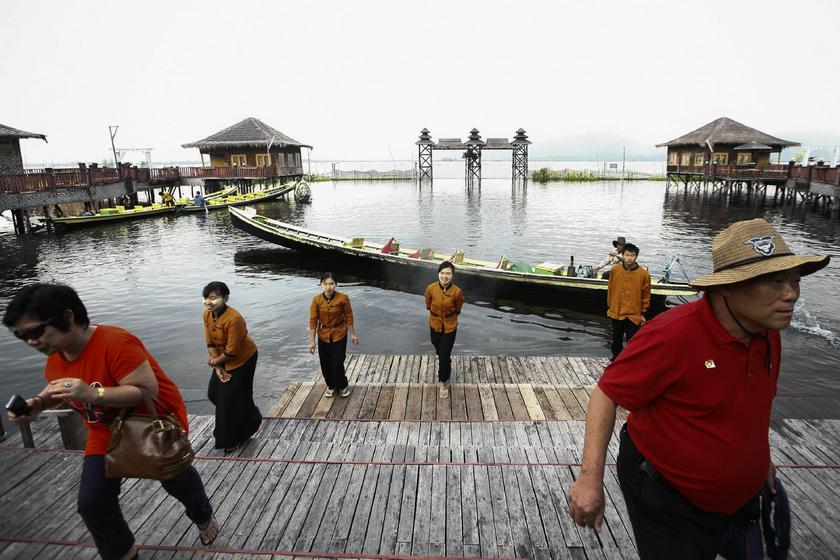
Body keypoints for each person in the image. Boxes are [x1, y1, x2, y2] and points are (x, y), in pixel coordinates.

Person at [568, 218, 829, 559]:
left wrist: (760, 458)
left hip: (741, 497)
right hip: (668, 496)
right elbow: (606, 394)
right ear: (728, 287)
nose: (791, 294)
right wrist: (590, 478)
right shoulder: (672, 335)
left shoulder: (767, 333)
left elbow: (756, 402)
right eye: (775, 282)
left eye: (795, 282)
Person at [3, 283, 219, 560]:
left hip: (153, 424)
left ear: (68, 316)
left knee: (175, 480)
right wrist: (39, 403)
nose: (31, 342)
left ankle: (202, 514)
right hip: (104, 431)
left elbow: (146, 390)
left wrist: (93, 394)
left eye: (36, 331)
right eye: (22, 335)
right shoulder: (57, 355)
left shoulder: (116, 342)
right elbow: (57, 388)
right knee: (93, 503)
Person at [202, 281, 262, 452]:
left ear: (225, 297)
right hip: (222, 358)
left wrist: (215, 362)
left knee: (227, 400)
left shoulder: (234, 319)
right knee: (215, 393)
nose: (208, 302)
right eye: (205, 298)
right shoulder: (207, 314)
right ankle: (251, 416)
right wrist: (217, 367)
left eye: (213, 298)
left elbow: (232, 352)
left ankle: (233, 438)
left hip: (243, 359)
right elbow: (210, 342)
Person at [308, 273, 359, 398]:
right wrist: (312, 341)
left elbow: (349, 316)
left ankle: (342, 385)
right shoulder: (316, 300)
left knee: (337, 362)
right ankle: (331, 386)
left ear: (335, 284)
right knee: (325, 363)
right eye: (325, 284)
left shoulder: (343, 298)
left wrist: (353, 334)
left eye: (331, 284)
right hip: (323, 335)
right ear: (321, 285)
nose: (328, 287)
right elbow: (313, 321)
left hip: (339, 333)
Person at [424, 261, 464, 399]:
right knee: (438, 349)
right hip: (434, 323)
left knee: (444, 354)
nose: (445, 276)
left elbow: (458, 309)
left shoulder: (457, 292)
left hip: (450, 326)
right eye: (442, 273)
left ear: (452, 275)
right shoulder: (431, 288)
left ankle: (443, 382)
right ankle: (445, 361)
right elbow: (428, 304)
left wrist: (448, 317)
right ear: (438, 274)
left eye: (448, 273)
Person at [606, 242, 651, 360]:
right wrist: (610, 306)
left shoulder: (644, 274)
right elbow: (610, 289)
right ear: (623, 255)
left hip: (633, 313)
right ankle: (615, 360)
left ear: (636, 257)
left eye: (632, 255)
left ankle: (630, 362)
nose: (629, 258)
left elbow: (646, 295)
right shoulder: (615, 270)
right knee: (616, 339)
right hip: (617, 310)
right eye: (627, 255)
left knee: (633, 341)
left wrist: (642, 313)